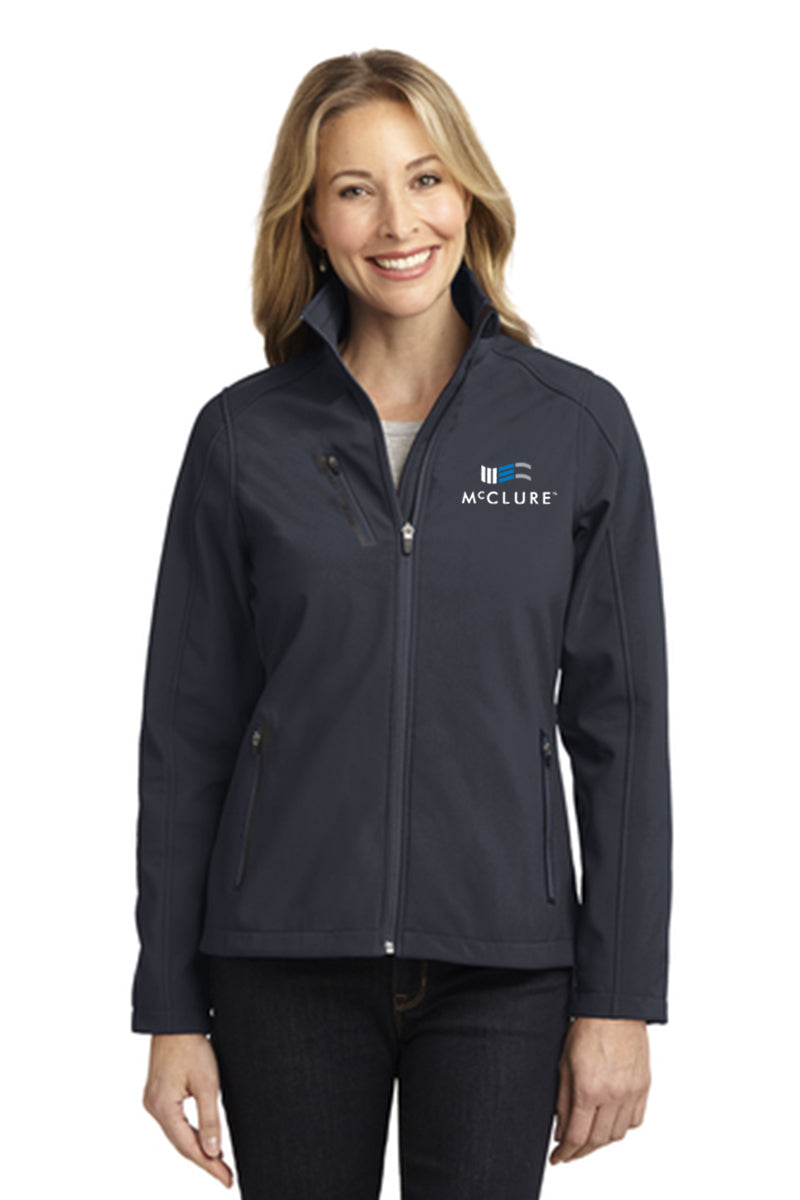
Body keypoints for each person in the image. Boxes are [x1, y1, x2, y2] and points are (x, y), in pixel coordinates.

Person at [131, 48, 672, 1200]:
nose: (397, 222)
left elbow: (622, 729)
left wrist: (619, 998)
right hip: (281, 964)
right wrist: (170, 1007)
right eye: (353, 189)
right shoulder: (242, 439)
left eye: (424, 178)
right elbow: (185, 738)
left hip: (503, 971)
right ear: (310, 220)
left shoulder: (574, 428)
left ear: (467, 193)